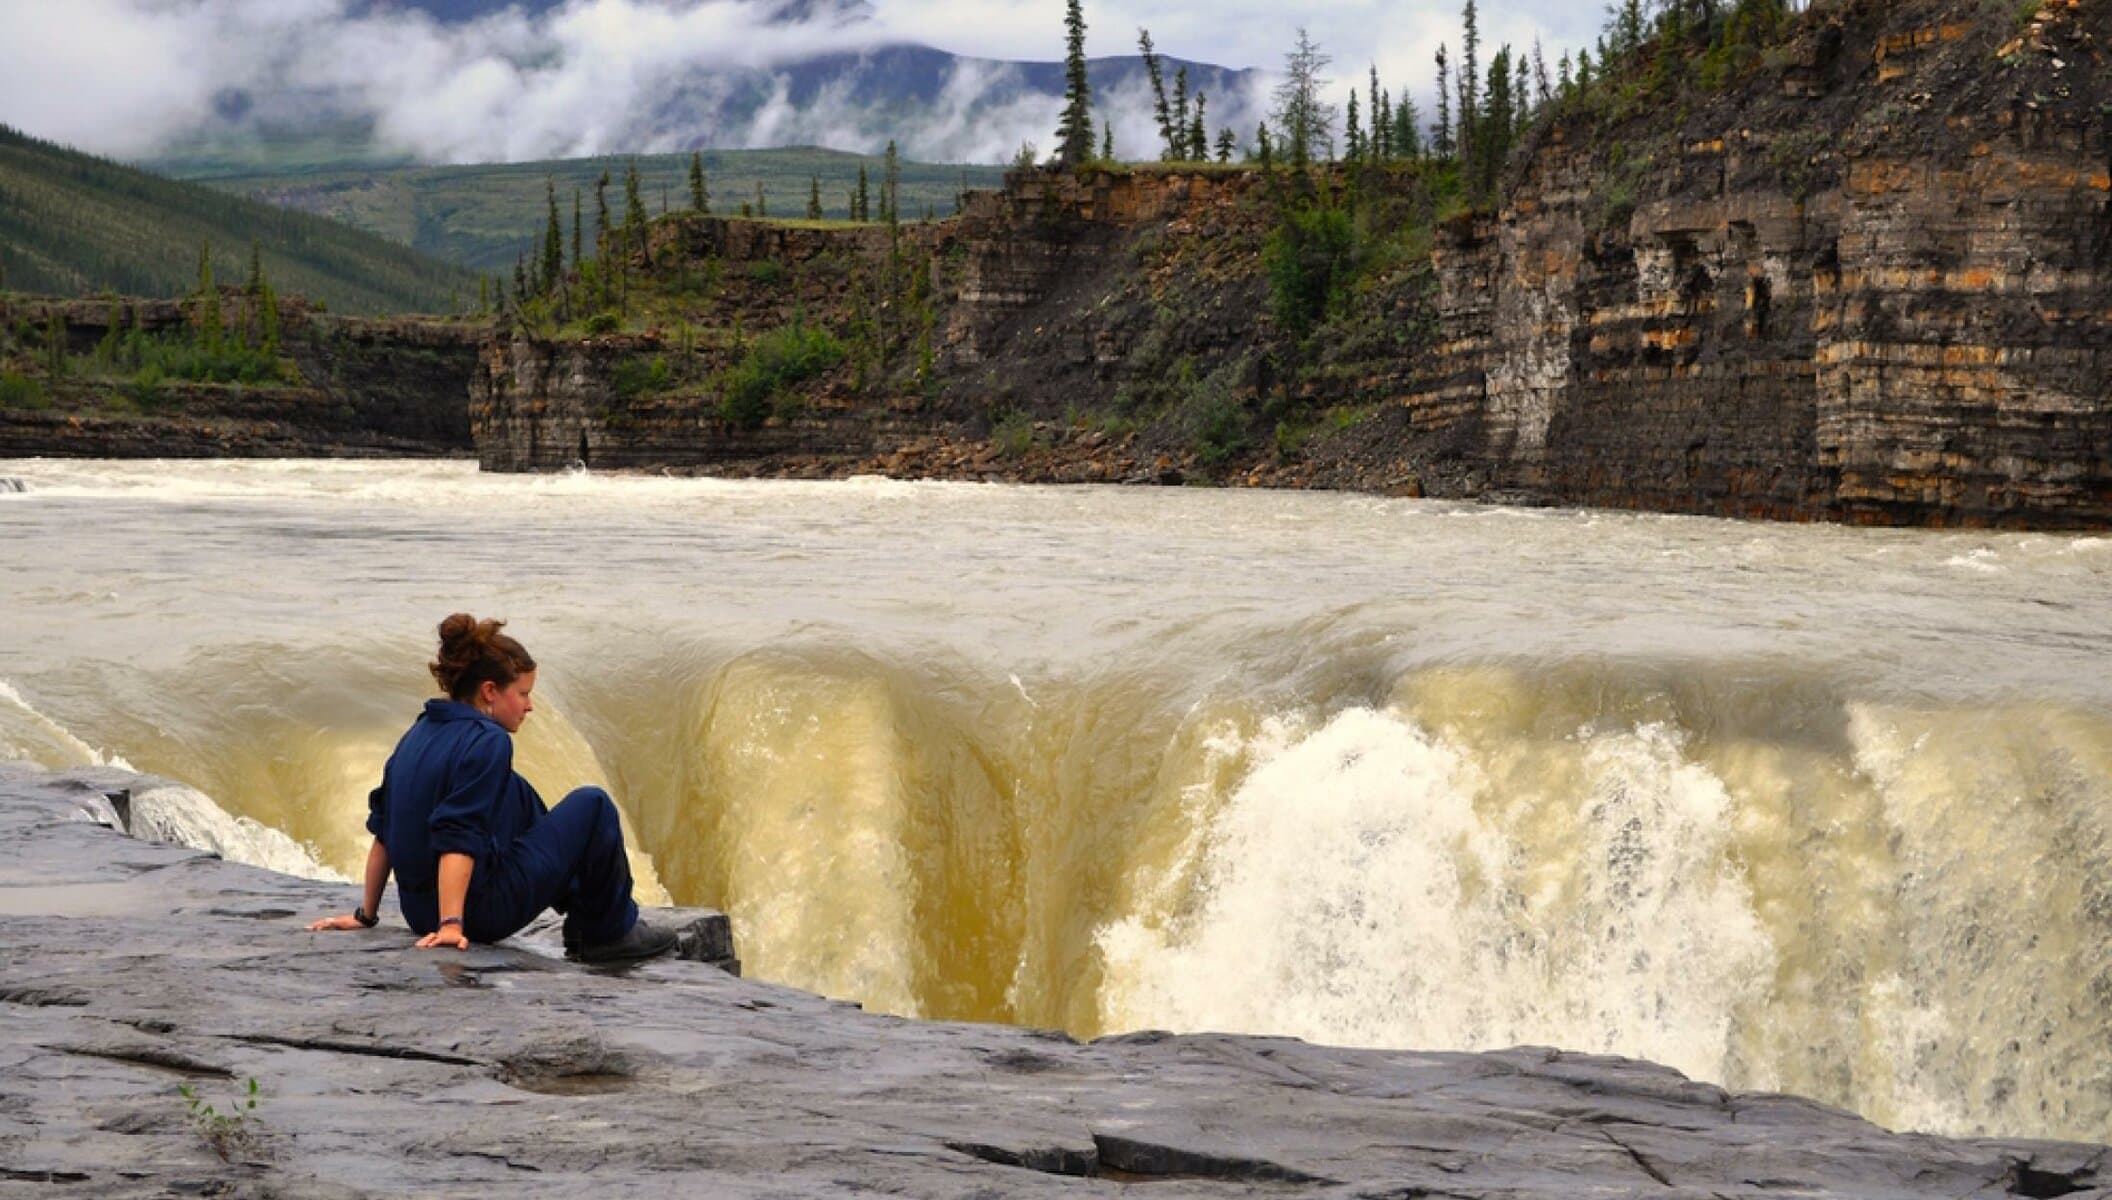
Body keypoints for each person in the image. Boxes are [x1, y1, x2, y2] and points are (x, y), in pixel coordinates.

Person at [309, 614, 677, 963]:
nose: (529, 706)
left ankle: (583, 905)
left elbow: (385, 832)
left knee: (513, 789)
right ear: (490, 692)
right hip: (477, 914)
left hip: (418, 911)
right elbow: (458, 835)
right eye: (522, 693)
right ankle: (607, 934)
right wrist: (452, 926)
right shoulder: (488, 741)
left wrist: (366, 915)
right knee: (593, 805)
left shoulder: (419, 732)